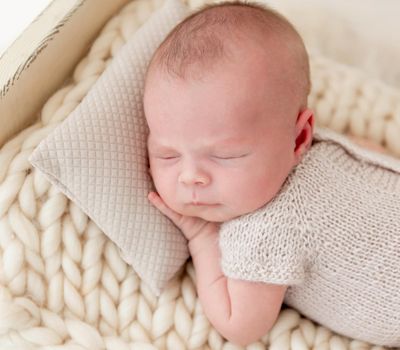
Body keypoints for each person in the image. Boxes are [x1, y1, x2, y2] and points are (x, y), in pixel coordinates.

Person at [143, 1, 400, 347]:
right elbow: (373, 157)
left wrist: (203, 239)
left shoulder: (262, 231)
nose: (191, 177)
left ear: (299, 137)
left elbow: (240, 325)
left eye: (225, 155)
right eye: (168, 154)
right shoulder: (325, 148)